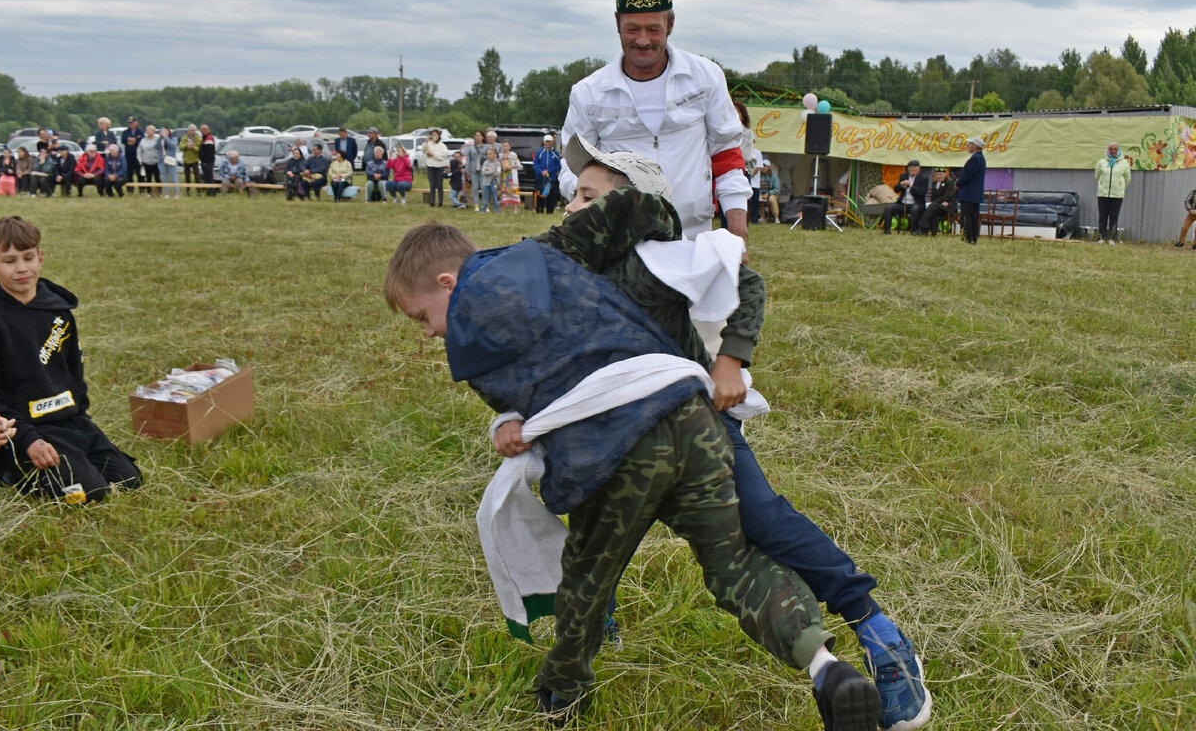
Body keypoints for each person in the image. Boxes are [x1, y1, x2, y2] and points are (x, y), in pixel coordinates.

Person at [384, 219, 881, 731]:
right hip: (690, 415)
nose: (429, 332)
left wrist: (510, 421)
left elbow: (537, 391)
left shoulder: (472, 319)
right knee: (733, 560)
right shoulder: (553, 263)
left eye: (422, 317)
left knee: (585, 583)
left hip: (616, 447)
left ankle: (561, 695)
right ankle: (824, 666)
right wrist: (509, 419)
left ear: (449, 283)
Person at [544, 137, 931, 731]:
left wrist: (732, 360)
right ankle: (599, 626)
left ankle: (877, 630)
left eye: (589, 196)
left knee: (762, 520)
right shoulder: (569, 266)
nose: (574, 206)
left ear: (630, 207)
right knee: (592, 536)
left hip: (697, 425)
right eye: (575, 194)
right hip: (616, 435)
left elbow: (747, 286)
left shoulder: (664, 258)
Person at [559, 0, 752, 244]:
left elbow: (727, 155)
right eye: (631, 29)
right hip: (620, 240)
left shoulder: (706, 77)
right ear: (617, 24)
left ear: (670, 24)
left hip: (695, 235)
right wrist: (592, 202)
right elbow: (571, 165)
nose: (642, 40)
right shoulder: (588, 92)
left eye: (653, 29)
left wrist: (737, 231)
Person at [0, 216, 142, 504]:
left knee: (129, 479)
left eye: (28, 258)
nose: (22, 268)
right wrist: (26, 440)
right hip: (25, 428)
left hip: (70, 421)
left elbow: (75, 370)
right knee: (91, 494)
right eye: (10, 261)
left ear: (40, 258)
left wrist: (82, 417)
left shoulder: (60, 311)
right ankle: (6, 469)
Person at [1094, 142, 1131, 244]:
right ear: (1108, 150)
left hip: (1117, 195)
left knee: (1114, 216)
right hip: (1103, 194)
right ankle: (1102, 237)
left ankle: (1111, 238)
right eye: (1111, 149)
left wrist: (1120, 187)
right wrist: (1103, 185)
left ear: (1118, 150)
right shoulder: (1101, 162)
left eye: (1115, 149)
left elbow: (1127, 178)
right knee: (1103, 216)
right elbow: (1097, 176)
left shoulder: (1124, 163)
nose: (1113, 151)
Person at [955, 136, 987, 244]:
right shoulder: (980, 158)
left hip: (969, 193)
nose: (968, 146)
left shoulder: (975, 158)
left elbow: (968, 175)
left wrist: (958, 183)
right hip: (974, 194)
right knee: (973, 217)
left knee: (966, 217)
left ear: (975, 146)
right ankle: (973, 237)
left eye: (969, 144)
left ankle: (967, 238)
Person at [883, 160, 927, 234]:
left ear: (919, 168)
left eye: (914, 167)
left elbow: (922, 193)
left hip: (916, 204)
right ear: (908, 168)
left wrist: (911, 186)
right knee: (888, 208)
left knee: (915, 209)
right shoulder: (903, 176)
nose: (912, 169)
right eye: (910, 167)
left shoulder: (923, 178)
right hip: (903, 203)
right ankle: (887, 230)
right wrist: (901, 184)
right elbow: (896, 189)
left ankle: (913, 230)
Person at [917, 168, 957, 236]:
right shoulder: (934, 183)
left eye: (941, 174)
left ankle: (922, 228)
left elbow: (947, 197)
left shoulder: (949, 182)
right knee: (932, 209)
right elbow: (933, 196)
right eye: (937, 174)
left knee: (932, 206)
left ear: (945, 174)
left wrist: (934, 203)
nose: (939, 176)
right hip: (938, 206)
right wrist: (934, 203)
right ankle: (931, 232)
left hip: (948, 206)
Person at [532, 134, 562, 214]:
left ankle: (550, 210)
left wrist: (549, 171)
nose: (548, 143)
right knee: (539, 193)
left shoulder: (555, 153)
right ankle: (539, 209)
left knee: (552, 194)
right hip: (540, 177)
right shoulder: (539, 152)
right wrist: (541, 171)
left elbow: (558, 165)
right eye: (546, 141)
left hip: (551, 178)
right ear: (544, 142)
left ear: (552, 142)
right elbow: (535, 164)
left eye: (549, 141)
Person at [423, 129, 449, 207]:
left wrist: (433, 154)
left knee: (439, 184)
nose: (434, 137)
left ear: (439, 136)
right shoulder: (429, 144)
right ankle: (432, 201)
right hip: (430, 166)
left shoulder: (443, 145)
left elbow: (442, 156)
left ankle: (440, 202)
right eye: (433, 135)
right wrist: (426, 141)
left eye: (436, 135)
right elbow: (424, 150)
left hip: (440, 166)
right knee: (432, 184)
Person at [137, 125, 164, 197]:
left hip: (156, 162)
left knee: (157, 178)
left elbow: (162, 150)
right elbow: (139, 151)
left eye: (149, 130)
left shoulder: (158, 140)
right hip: (146, 162)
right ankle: (149, 192)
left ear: (153, 131)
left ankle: (159, 192)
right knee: (148, 178)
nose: (147, 132)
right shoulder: (143, 140)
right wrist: (140, 161)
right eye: (147, 130)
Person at [463, 131, 487, 207]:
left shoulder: (487, 147)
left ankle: (484, 204)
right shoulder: (471, 147)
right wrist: (467, 171)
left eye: (479, 135)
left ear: (483, 137)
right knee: (475, 187)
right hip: (473, 170)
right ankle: (476, 204)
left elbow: (489, 158)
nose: (477, 137)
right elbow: (468, 160)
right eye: (476, 135)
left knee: (484, 187)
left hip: (483, 169)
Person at [121, 116, 144, 192]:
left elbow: (141, 141)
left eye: (132, 122)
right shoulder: (125, 132)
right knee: (129, 173)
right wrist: (133, 140)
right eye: (129, 122)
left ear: (136, 122)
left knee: (139, 173)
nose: (130, 124)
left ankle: (141, 189)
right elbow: (124, 140)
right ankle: (130, 189)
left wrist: (134, 140)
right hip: (129, 156)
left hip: (138, 156)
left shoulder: (140, 132)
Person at [498, 140, 521, 212]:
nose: (505, 147)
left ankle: (515, 209)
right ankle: (503, 209)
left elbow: (519, 165)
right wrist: (501, 168)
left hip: (512, 176)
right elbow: (497, 165)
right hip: (504, 176)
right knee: (504, 191)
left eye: (506, 146)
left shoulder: (513, 155)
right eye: (504, 145)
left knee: (515, 191)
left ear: (509, 147)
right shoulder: (499, 156)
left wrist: (511, 166)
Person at [160, 126, 180, 198]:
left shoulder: (174, 138)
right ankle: (166, 193)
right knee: (164, 177)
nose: (164, 132)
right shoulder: (160, 139)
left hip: (171, 160)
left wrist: (165, 137)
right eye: (163, 131)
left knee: (174, 177)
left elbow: (172, 145)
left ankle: (176, 193)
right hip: (162, 160)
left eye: (165, 131)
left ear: (169, 131)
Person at [479, 147, 501, 213]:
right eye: (487, 154)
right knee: (485, 196)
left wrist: (489, 171)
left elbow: (498, 173)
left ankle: (497, 210)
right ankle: (483, 209)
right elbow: (483, 172)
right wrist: (492, 171)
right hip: (485, 182)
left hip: (494, 182)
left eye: (490, 154)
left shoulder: (497, 163)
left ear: (494, 154)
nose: (489, 155)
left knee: (494, 196)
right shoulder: (485, 163)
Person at [199, 125, 217, 196]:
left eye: (203, 130)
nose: (201, 132)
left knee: (209, 177)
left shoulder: (209, 138)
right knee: (206, 177)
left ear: (206, 130)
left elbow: (209, 152)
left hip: (208, 162)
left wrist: (205, 161)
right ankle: (209, 191)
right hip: (205, 161)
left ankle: (212, 191)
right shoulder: (204, 138)